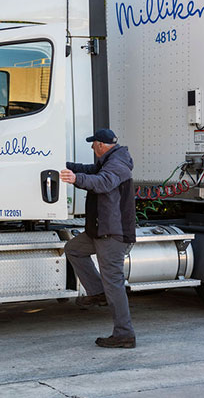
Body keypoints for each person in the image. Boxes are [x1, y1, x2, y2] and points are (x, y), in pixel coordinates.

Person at [60, 128, 136, 349]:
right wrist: (62, 164)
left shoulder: (117, 165)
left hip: (112, 233)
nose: (92, 147)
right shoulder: (108, 161)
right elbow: (89, 169)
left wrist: (75, 179)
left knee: (114, 283)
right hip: (98, 230)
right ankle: (97, 292)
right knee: (73, 249)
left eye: (93, 144)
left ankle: (124, 334)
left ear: (101, 145)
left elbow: (102, 182)